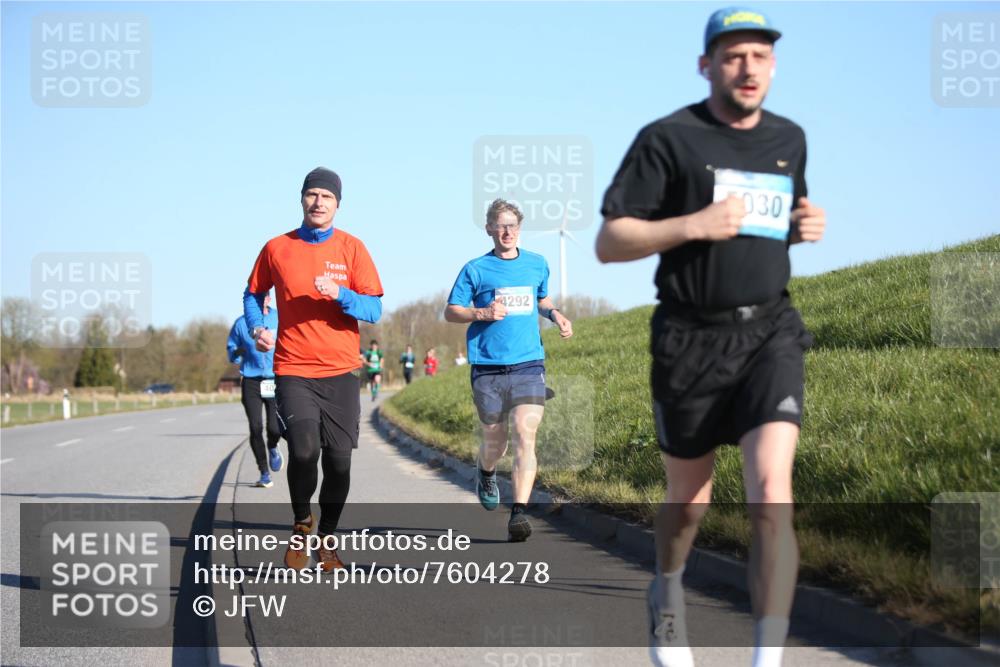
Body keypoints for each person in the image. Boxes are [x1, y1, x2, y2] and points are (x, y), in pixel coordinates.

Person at [595, 8, 826, 667]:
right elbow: (611, 241)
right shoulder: (667, 138)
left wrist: (803, 225)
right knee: (689, 502)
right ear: (706, 66)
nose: (748, 68)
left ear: (774, 66)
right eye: (732, 56)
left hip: (769, 333)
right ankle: (666, 590)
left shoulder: (791, 139)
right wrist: (692, 224)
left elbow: (777, 221)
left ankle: (766, 659)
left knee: (770, 490)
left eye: (760, 55)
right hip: (688, 341)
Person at [244, 166, 384, 572]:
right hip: (293, 367)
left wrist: (341, 295)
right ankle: (302, 523)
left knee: (339, 462)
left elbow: (373, 308)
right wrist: (257, 327)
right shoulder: (276, 248)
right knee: (304, 451)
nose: (318, 202)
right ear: (301, 199)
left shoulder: (352, 249)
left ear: (338, 204)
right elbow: (253, 293)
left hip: (341, 370)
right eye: (312, 194)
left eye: (327, 196)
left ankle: (328, 538)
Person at [445, 198, 573, 542]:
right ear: (489, 229)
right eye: (500, 225)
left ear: (520, 228)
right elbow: (452, 311)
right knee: (495, 440)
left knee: (524, 432)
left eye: (512, 225)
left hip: (529, 362)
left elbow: (541, 298)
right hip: (487, 366)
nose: (507, 232)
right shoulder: (476, 269)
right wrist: (482, 314)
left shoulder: (537, 264)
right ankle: (486, 472)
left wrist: (555, 314)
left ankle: (519, 512)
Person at [227, 293, 283, 488]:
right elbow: (231, 349)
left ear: (270, 299)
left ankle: (273, 446)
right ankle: (264, 472)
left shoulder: (279, 317)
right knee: (255, 427)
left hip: (274, 378)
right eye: (259, 297)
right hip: (251, 380)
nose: (263, 300)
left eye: (266, 296)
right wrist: (237, 353)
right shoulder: (241, 324)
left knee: (274, 428)